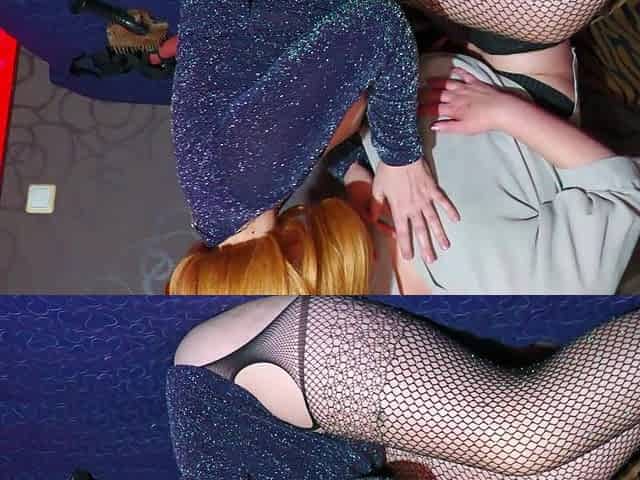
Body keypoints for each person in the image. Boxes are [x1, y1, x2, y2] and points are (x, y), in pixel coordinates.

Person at [168, 296, 640, 479]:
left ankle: (530, 393)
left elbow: (413, 476)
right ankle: (571, 380)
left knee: (522, 440)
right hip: (351, 450)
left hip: (245, 373)